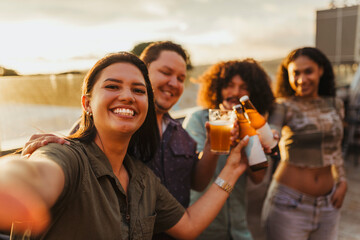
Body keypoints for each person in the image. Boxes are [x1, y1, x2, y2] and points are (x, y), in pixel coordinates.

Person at [0, 52, 250, 239]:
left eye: (138, 90)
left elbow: (190, 225)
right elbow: (35, 174)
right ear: (86, 104)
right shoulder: (66, 155)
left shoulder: (144, 180)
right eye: (112, 86)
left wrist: (233, 168)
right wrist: (13, 178)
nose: (128, 96)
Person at [183, 59, 276, 240]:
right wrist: (217, 140)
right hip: (202, 230)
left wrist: (249, 141)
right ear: (217, 88)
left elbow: (258, 178)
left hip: (239, 230)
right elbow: (198, 180)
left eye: (244, 87)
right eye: (229, 85)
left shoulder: (254, 124)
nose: (235, 93)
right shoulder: (198, 120)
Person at [262, 47, 348, 240]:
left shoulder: (336, 104)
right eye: (296, 73)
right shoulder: (283, 106)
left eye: (308, 71)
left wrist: (342, 181)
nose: (301, 79)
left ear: (321, 70)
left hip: (329, 205)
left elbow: (335, 149)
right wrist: (269, 135)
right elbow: (272, 130)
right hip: (289, 203)